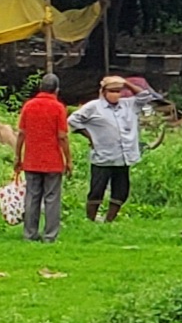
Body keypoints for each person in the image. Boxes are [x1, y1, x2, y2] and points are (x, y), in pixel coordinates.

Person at [68, 74, 142, 222]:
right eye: (112, 91)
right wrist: (90, 136)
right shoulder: (93, 107)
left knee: (121, 190)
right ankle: (90, 219)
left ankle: (109, 220)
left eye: (118, 91)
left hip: (123, 157)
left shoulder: (128, 105)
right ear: (104, 92)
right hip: (103, 156)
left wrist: (126, 84)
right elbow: (73, 120)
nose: (115, 94)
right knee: (97, 190)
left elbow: (145, 96)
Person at [14, 73, 71, 243]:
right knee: (52, 198)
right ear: (56, 90)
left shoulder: (29, 106)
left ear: (40, 88)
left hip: (31, 160)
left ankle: (30, 234)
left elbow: (21, 134)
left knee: (32, 197)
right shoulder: (58, 108)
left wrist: (17, 156)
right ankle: (50, 235)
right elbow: (62, 136)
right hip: (53, 161)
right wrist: (68, 160)